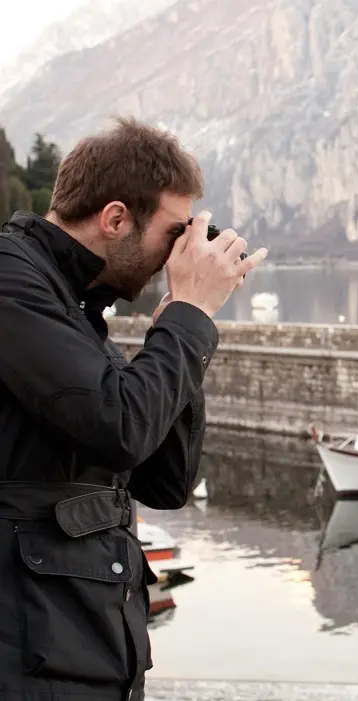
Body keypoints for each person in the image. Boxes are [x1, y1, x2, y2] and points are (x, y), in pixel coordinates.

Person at [0, 117, 267, 701]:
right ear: (115, 218)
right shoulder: (11, 282)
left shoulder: (72, 306)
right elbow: (120, 426)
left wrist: (178, 320)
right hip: (30, 670)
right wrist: (189, 317)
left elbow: (164, 479)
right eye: (174, 233)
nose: (178, 252)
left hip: (83, 658)